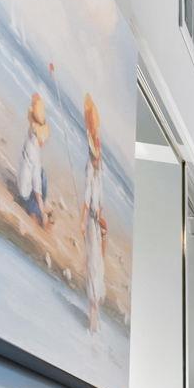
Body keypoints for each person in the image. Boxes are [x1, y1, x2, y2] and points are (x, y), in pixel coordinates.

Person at [81, 94, 107, 329]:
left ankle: (95, 310)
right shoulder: (91, 169)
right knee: (93, 263)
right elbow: (87, 201)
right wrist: (82, 222)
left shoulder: (97, 171)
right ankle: (93, 311)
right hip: (92, 223)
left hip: (96, 223)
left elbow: (97, 202)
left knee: (97, 263)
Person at [13, 91, 49, 225]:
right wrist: (43, 210)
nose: (44, 141)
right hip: (25, 197)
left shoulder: (29, 138)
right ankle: (36, 212)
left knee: (39, 173)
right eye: (44, 138)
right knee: (42, 176)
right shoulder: (35, 151)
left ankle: (36, 208)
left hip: (20, 186)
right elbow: (37, 185)